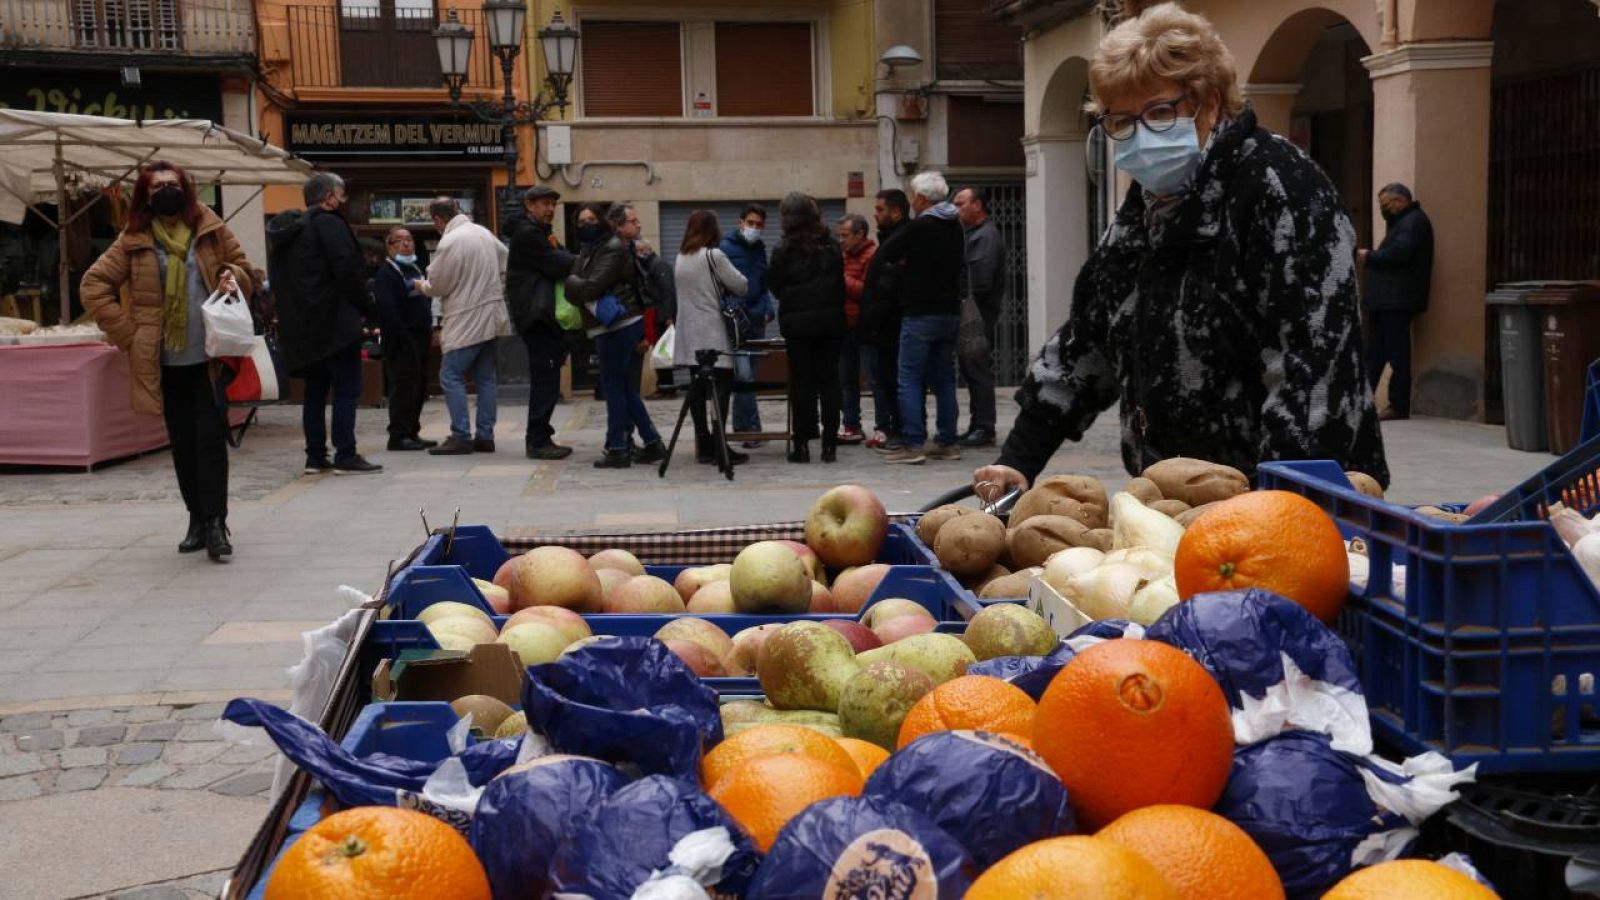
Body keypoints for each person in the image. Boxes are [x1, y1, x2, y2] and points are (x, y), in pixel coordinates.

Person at [971, 2, 1388, 502]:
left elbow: (1312, 373)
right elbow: (1087, 343)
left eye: (1159, 112)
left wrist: (1277, 512)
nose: (1140, 134)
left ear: (1209, 103)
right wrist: (1018, 460)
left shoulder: (1281, 187)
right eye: (1121, 120)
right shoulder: (1146, 209)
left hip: (1287, 498)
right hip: (1175, 496)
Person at [81, 160, 253, 560]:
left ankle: (215, 524)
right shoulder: (134, 238)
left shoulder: (208, 227)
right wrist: (129, 335)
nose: (166, 192)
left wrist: (232, 276)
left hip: (211, 355)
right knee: (183, 444)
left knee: (211, 441)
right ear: (145, 195)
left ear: (186, 189)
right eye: (157, 187)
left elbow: (247, 270)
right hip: (163, 362)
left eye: (172, 185)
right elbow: (93, 286)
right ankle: (196, 517)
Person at [267, 172, 382, 475]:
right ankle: (346, 453)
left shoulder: (288, 233)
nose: (344, 200)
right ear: (329, 197)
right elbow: (348, 272)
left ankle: (315, 456)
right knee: (346, 389)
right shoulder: (329, 225)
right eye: (342, 195)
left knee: (315, 392)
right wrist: (367, 308)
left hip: (304, 328)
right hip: (336, 325)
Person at [565, 202, 666, 468]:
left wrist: (573, 283)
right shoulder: (590, 249)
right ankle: (650, 441)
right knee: (623, 388)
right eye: (581, 222)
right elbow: (580, 285)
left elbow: (587, 288)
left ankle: (619, 447)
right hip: (607, 325)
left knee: (614, 389)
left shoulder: (612, 247)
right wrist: (577, 284)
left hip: (618, 324)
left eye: (591, 220)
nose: (587, 225)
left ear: (603, 221)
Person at [879, 171, 966, 465]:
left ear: (921, 198)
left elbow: (888, 250)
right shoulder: (955, 224)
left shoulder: (921, 226)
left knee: (909, 378)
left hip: (920, 312)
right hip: (949, 311)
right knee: (943, 379)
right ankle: (947, 441)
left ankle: (913, 442)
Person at [417, 197, 511, 455]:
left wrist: (420, 286)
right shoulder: (483, 232)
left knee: (450, 375)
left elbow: (437, 285)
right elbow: (506, 259)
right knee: (486, 378)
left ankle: (460, 434)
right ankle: (485, 435)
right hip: (491, 315)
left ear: (438, 219)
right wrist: (496, 288)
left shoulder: (450, 241)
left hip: (465, 316)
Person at [767, 192, 848, 464]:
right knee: (829, 381)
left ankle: (801, 444)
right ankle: (829, 444)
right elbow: (840, 282)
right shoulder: (832, 246)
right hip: (830, 322)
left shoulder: (784, 248)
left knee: (802, 383)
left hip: (798, 324)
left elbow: (775, 284)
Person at [672, 210, 750, 465]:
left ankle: (703, 441)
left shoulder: (681, 257)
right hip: (711, 332)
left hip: (688, 334)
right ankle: (720, 444)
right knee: (720, 389)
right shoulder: (712, 255)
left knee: (697, 390)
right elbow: (740, 285)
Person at [505, 185, 577, 459]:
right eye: (545, 204)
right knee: (544, 380)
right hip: (537, 316)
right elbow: (555, 263)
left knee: (547, 378)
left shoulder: (541, 233)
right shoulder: (528, 234)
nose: (550, 209)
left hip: (541, 315)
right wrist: (586, 261)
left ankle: (542, 435)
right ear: (529, 205)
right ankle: (537, 441)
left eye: (553, 205)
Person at [1359, 183, 1434, 422]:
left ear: (1400, 201)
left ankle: (1398, 405)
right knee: (1376, 354)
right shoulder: (1402, 223)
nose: (1383, 210)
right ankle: (1361, 402)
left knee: (1397, 355)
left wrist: (1369, 256)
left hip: (1397, 301)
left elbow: (1398, 254)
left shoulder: (1413, 222)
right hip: (1387, 301)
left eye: (1385, 205)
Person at [371, 227, 437, 452]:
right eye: (400, 241)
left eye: (409, 240)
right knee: (403, 387)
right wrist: (403, 337)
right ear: (389, 247)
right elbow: (389, 311)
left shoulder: (416, 269)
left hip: (420, 336)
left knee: (418, 387)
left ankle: (412, 431)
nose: (406, 244)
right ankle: (398, 435)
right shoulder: (387, 274)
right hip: (401, 340)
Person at [952, 186, 1006, 447]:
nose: (956, 208)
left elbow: (981, 280)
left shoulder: (985, 236)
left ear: (977, 205)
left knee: (978, 371)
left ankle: (984, 427)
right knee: (972, 371)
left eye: (961, 203)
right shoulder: (972, 234)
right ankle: (977, 424)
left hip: (980, 315)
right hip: (975, 314)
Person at [858, 189, 910, 451]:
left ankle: (901, 430)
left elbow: (887, 288)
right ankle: (894, 428)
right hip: (883, 326)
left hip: (890, 326)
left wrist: (873, 319)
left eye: (880, 210)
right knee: (886, 380)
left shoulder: (899, 241)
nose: (875, 215)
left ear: (896, 212)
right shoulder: (891, 239)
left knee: (893, 380)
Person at [720, 204, 773, 447]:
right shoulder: (725, 248)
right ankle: (752, 428)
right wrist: (736, 309)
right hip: (738, 321)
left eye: (759, 224)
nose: (754, 228)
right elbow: (723, 285)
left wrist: (767, 308)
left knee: (747, 375)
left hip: (756, 320)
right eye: (750, 223)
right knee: (745, 375)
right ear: (741, 222)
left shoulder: (760, 249)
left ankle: (742, 427)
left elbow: (762, 283)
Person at [837, 213, 877, 446]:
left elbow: (866, 291)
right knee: (846, 380)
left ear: (860, 235)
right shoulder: (842, 256)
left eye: (845, 236)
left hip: (865, 326)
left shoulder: (872, 255)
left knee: (874, 378)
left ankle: (884, 425)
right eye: (839, 235)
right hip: (844, 324)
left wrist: (842, 280)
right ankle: (851, 424)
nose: (841, 240)